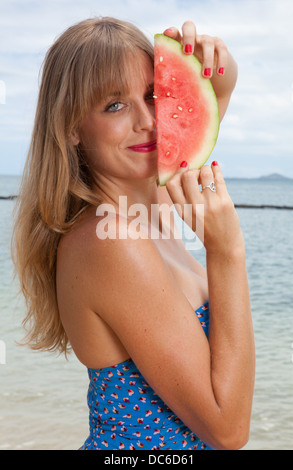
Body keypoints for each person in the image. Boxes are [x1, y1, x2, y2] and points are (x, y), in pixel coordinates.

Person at [11, 17, 255, 450]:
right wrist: (228, 251)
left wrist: (221, 77)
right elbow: (227, 429)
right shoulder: (111, 241)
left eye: (152, 95)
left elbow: (191, 126)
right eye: (114, 106)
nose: (148, 122)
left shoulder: (147, 200)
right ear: (70, 127)